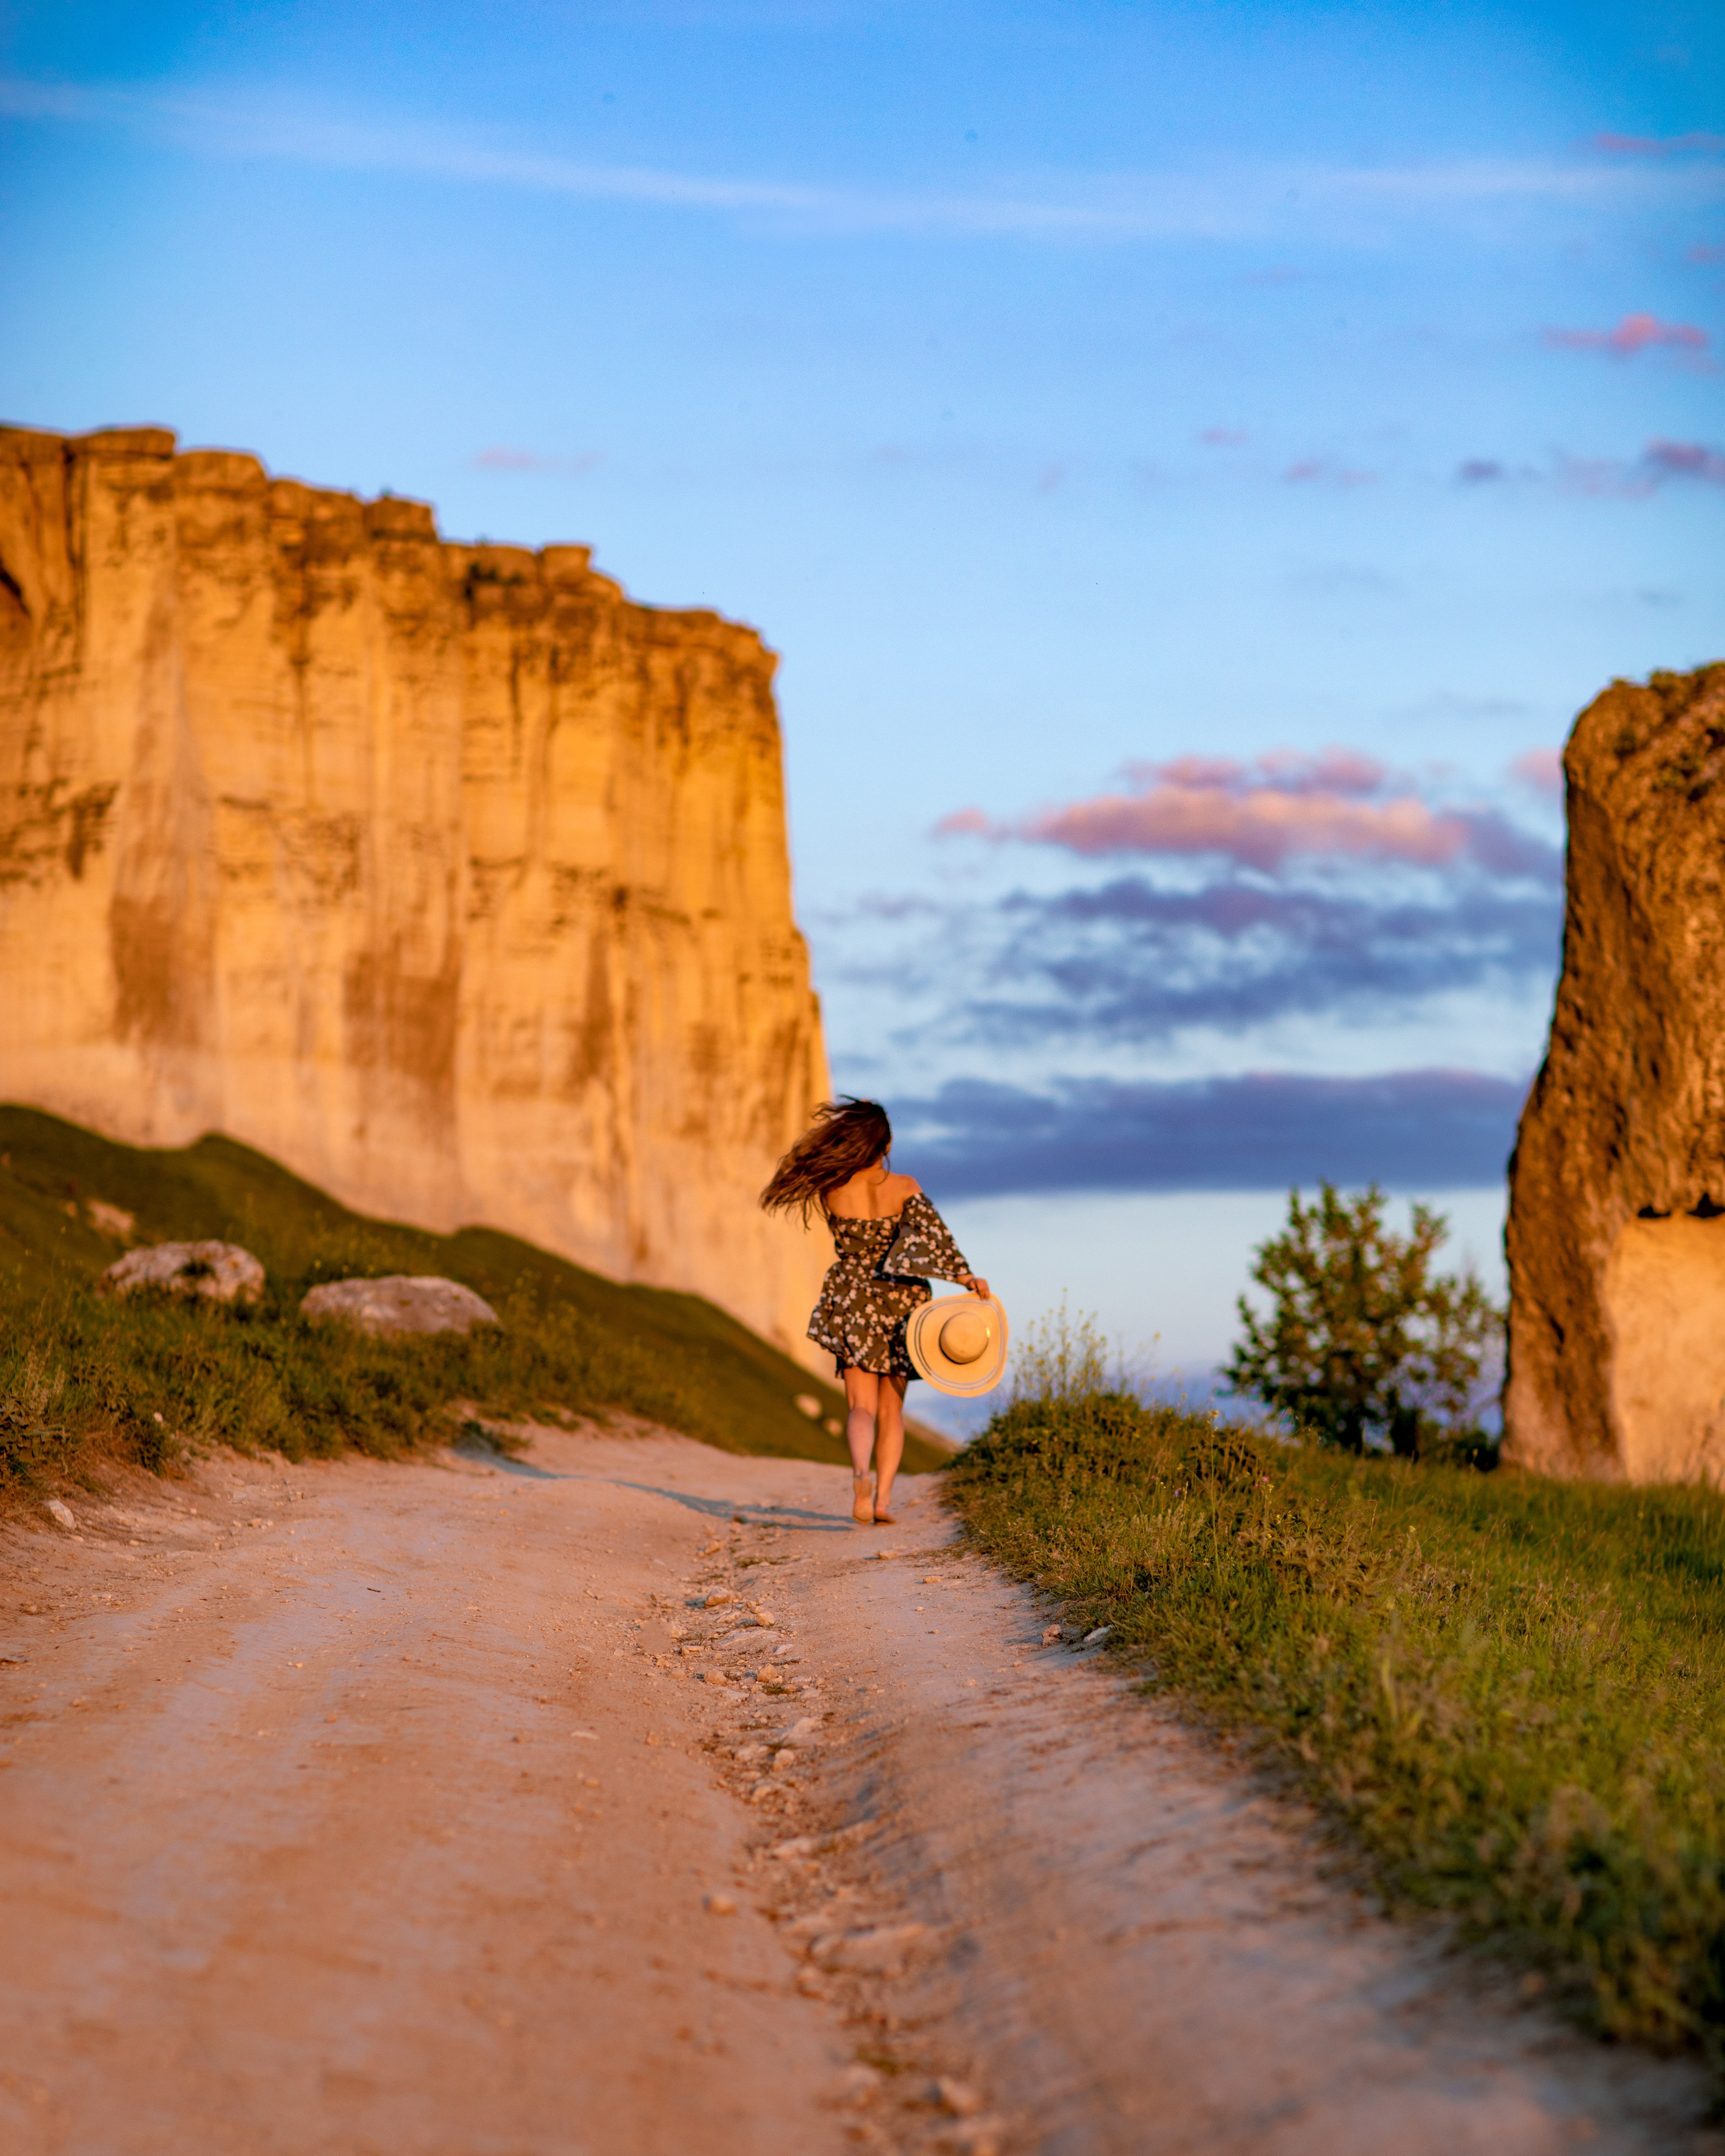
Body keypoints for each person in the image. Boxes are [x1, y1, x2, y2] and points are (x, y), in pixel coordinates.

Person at [760, 1097, 990, 1525]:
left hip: (852, 1298)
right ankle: (882, 1501)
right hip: (902, 1304)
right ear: (886, 1144)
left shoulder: (832, 1189)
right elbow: (936, 1239)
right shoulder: (904, 1186)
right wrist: (965, 1278)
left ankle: (860, 1478)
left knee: (860, 1408)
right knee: (890, 1412)